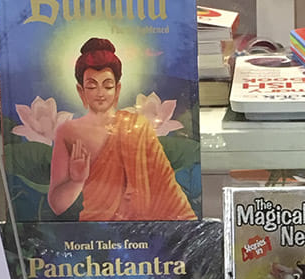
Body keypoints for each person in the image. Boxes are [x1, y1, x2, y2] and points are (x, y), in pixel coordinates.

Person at [48, 37, 195, 220]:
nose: (100, 93)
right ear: (81, 90)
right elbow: (57, 205)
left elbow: (167, 188)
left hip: (143, 229)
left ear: (117, 89)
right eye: (92, 86)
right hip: (95, 230)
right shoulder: (68, 132)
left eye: (107, 86)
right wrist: (76, 181)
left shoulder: (138, 127)